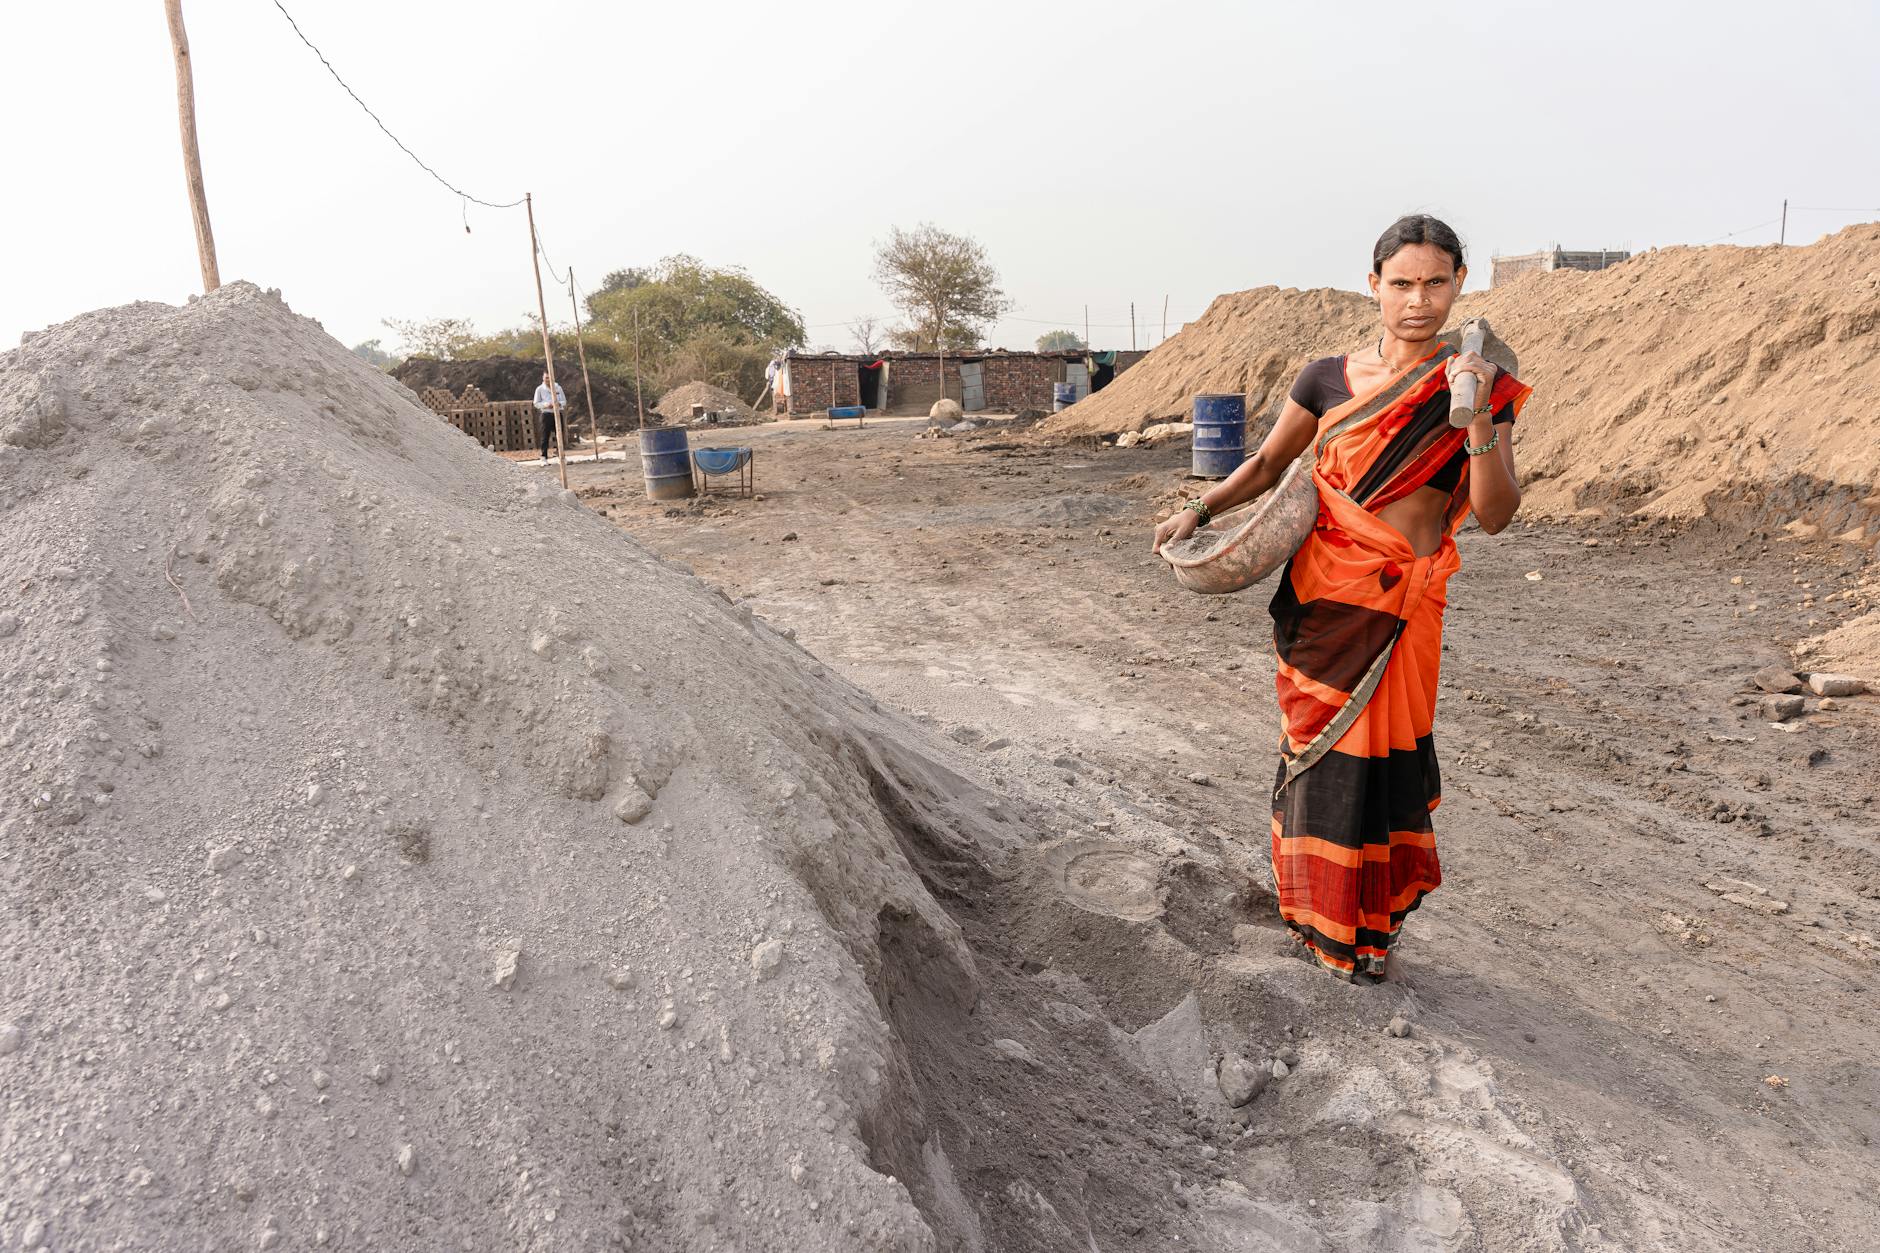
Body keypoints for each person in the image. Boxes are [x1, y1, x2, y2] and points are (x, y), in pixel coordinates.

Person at [1152, 214, 1531, 983]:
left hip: (1406, 603)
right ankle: (1316, 917)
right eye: (1401, 284)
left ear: (1460, 284)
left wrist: (1481, 418)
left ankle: (1372, 930)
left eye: (1434, 283)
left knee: (1386, 766)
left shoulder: (1479, 379)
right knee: (1319, 759)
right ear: (1374, 286)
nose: (1418, 301)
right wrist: (1198, 510)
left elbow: (1495, 514)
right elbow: (1264, 466)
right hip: (1327, 597)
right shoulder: (1324, 378)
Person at [533, 372, 567, 461]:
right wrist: (546, 405)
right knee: (545, 436)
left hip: (557, 413)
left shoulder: (558, 387)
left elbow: (564, 401)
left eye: (549, 377)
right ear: (543, 378)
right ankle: (543, 457)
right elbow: (536, 403)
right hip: (546, 414)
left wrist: (558, 404)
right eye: (546, 378)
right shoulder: (539, 389)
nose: (547, 380)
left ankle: (560, 455)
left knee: (560, 435)